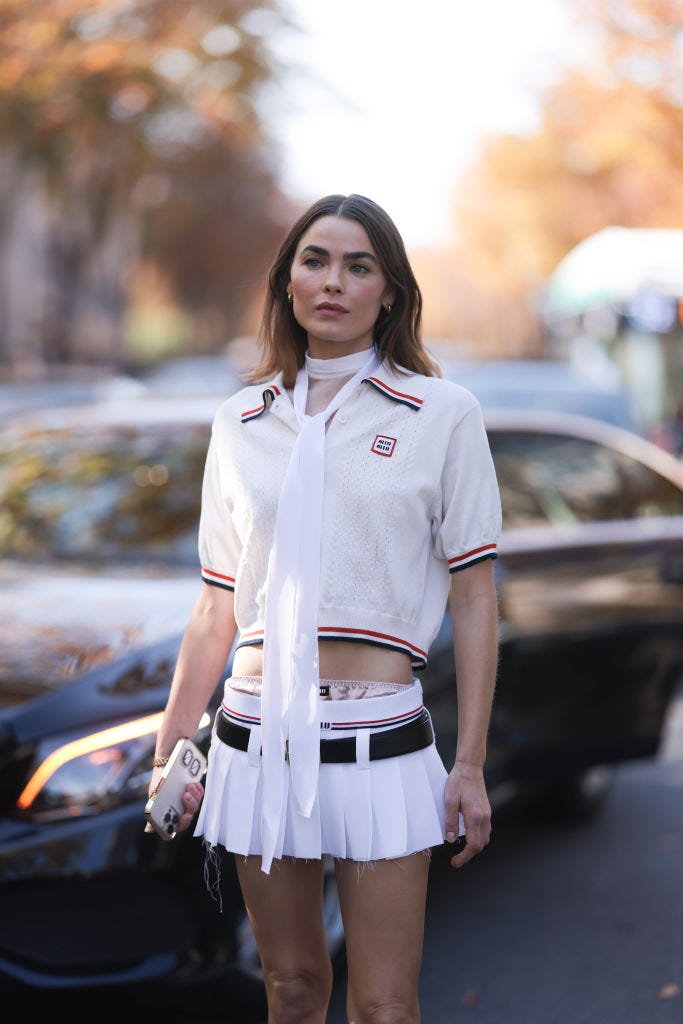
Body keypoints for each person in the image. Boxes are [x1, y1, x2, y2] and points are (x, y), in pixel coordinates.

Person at [145, 193, 502, 1024]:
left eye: (358, 265)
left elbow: (475, 595)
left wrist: (471, 764)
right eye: (315, 260)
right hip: (253, 736)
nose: (333, 282)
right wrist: (171, 747)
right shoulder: (238, 421)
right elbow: (215, 604)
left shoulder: (442, 414)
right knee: (293, 989)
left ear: (391, 291)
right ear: (287, 282)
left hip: (382, 739)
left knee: (382, 1004)